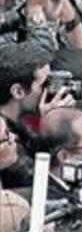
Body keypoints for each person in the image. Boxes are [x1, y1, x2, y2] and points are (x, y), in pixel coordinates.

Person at [0, 41, 53, 187]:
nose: (50, 91)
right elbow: (40, 185)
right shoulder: (3, 138)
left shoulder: (17, 122)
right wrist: (53, 129)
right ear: (18, 91)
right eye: (44, 85)